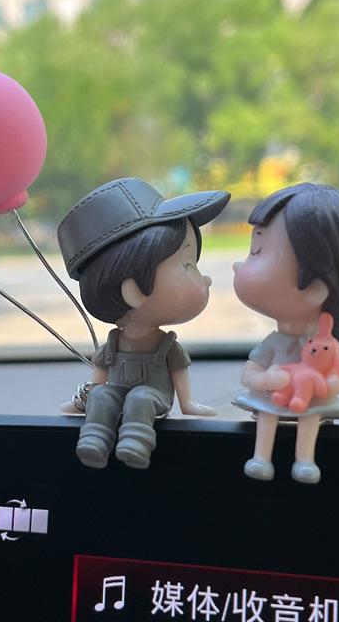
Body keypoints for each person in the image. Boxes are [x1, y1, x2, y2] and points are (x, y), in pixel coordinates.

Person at [57, 178, 230, 469]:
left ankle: (136, 443)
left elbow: (179, 373)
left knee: (141, 397)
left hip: (154, 398)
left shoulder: (167, 345)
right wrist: (84, 399)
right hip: (121, 394)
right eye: (188, 266)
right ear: (133, 291)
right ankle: (94, 441)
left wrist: (188, 404)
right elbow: (99, 379)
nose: (206, 278)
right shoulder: (114, 342)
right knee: (103, 395)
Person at [232, 183, 339, 484]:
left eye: (257, 251)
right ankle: (261, 457)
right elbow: (250, 374)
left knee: (310, 419)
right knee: (267, 416)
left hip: (309, 402)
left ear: (314, 289)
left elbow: (338, 378)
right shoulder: (276, 343)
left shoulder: (326, 346)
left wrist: (328, 384)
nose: (238, 264)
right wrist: (265, 380)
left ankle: (305, 459)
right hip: (274, 397)